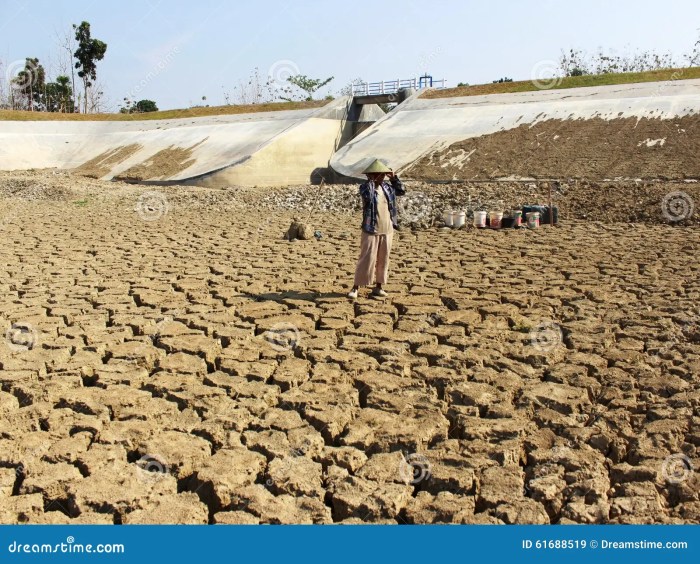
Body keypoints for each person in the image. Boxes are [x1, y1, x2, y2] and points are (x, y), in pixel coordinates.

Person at [348, 159, 405, 299]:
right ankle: (356, 287)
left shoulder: (387, 188)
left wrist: (394, 178)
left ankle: (378, 287)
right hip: (371, 228)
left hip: (387, 229)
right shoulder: (366, 188)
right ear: (371, 175)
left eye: (383, 174)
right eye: (379, 174)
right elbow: (367, 194)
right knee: (366, 258)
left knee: (383, 259)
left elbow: (401, 191)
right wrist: (371, 181)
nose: (382, 177)